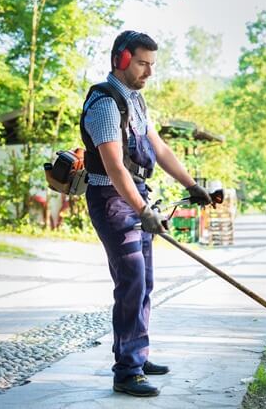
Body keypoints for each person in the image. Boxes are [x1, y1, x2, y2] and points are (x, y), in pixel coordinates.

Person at [80, 30, 212, 397]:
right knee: (132, 279)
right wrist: (143, 210)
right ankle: (126, 370)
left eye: (152, 65)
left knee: (145, 280)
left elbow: (160, 148)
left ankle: (137, 353)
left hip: (136, 195)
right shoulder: (105, 105)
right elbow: (114, 168)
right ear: (120, 59)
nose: (149, 73)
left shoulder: (135, 102)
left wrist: (191, 185)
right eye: (142, 63)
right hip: (111, 199)